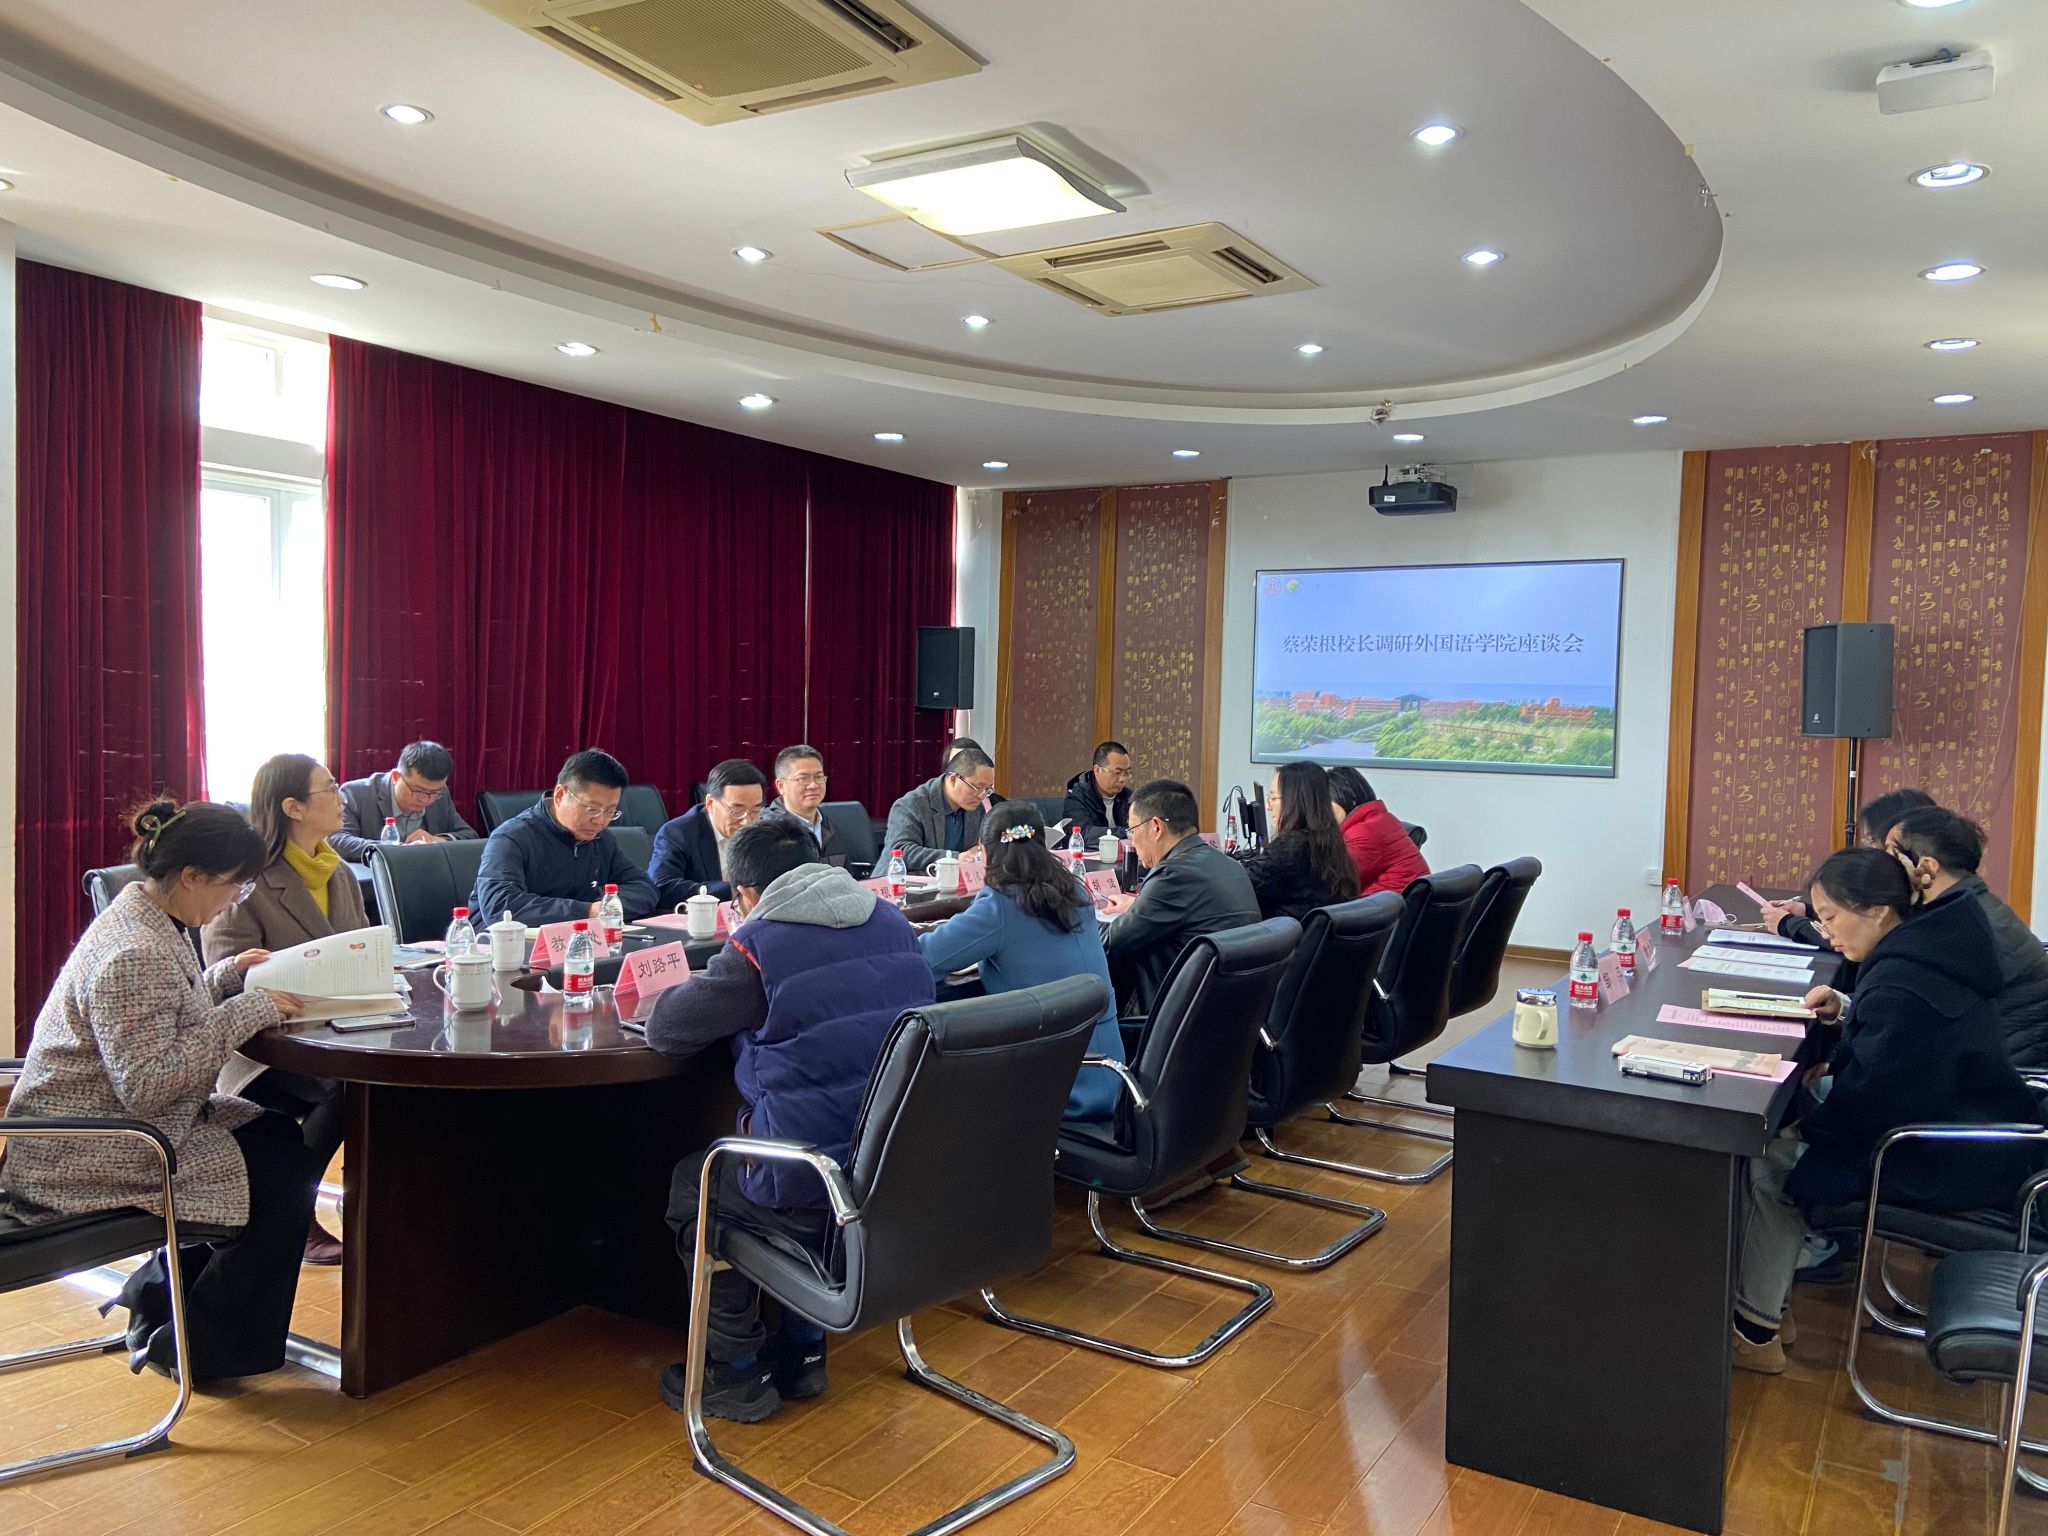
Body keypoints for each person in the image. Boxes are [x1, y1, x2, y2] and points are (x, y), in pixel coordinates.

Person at [0, 798, 316, 1381]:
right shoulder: (136, 951)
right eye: (234, 886)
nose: (235, 900)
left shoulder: (144, 914)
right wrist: (245, 1010)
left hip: (99, 1126)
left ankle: (161, 1303)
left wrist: (224, 977)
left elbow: (161, 1013)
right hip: (87, 1150)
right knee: (282, 1169)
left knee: (277, 1137)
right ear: (192, 876)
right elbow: (148, 1085)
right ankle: (204, 1346)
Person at [645, 818, 934, 1424]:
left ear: (745, 893)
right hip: (890, 1167)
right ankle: (803, 1351)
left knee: (696, 1185)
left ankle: (734, 1372)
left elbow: (668, 1030)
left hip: (806, 1180)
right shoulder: (893, 922)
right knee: (794, 1149)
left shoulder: (760, 945)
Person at [1731, 846, 2037, 1374]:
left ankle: (1755, 1332)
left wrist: (1808, 1127)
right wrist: (1848, 1011)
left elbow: (1875, 1099)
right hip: (1974, 1128)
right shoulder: (1929, 948)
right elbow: (1899, 1054)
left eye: (1831, 918)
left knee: (1773, 1163)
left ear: (1876, 910)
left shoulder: (1904, 982)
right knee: (1787, 1125)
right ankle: (1773, 1310)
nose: (1826, 933)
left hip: (1947, 1155)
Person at [202, 755, 363, 1265]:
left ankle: (373, 1204)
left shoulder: (337, 871)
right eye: (329, 789)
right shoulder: (247, 882)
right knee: (347, 1088)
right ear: (293, 807)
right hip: (265, 1046)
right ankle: (292, 1210)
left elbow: (361, 949)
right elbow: (225, 976)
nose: (341, 797)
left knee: (387, 1082)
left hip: (340, 1028)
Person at [914, 802, 1126, 1124]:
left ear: (985, 852)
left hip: (1056, 1092)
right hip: (1110, 1078)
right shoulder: (1076, 890)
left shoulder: (1000, 905)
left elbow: (925, 960)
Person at [1890, 807, 2048, 1069]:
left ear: (1926, 866)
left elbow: (1910, 1014)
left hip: (1999, 1071)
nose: (1884, 867)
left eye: (1893, 856)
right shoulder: (1969, 907)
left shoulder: (1963, 927)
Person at [1100, 777, 1261, 1016]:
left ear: (1156, 827)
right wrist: (1137, 905)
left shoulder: (1173, 874)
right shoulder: (1229, 865)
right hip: (1227, 1011)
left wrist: (1080, 921)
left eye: (1132, 831)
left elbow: (1110, 943)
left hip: (1178, 1014)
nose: (1131, 841)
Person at [471, 749, 659, 924]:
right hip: (502, 945)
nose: (601, 821)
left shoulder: (601, 839)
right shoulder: (511, 838)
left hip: (577, 939)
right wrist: (586, 911)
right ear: (560, 795)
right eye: (591, 809)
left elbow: (645, 888)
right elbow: (500, 906)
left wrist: (606, 906)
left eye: (610, 811)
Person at [1759, 787, 1934, 946]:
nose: (1868, 849)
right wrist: (1811, 912)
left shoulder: (1924, 898)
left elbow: (1854, 938)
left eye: (1872, 840)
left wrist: (1787, 924)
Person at [1238, 762, 1360, 922]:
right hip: (1304, 931)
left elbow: (1242, 886)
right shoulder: (1328, 841)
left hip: (1282, 934)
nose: (1268, 806)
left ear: (1295, 801)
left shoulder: (1292, 848)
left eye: (1273, 798)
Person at [329, 740, 479, 863]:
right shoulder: (357, 793)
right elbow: (337, 839)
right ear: (396, 777)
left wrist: (437, 840)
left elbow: (469, 836)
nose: (426, 799)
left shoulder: (441, 793)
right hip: (374, 883)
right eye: (418, 791)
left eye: (434, 793)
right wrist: (396, 851)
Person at [650, 759, 768, 902]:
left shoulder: (766, 831)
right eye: (737, 811)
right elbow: (662, 885)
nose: (747, 821)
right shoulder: (678, 833)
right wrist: (732, 891)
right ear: (710, 803)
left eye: (755, 810)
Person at [882, 746, 996, 873]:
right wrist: (954, 858)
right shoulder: (912, 805)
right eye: (978, 787)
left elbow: (972, 847)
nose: (982, 796)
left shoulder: (976, 808)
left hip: (948, 881)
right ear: (953, 779)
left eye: (987, 789)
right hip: (900, 881)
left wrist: (977, 851)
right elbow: (901, 851)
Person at [1327, 766, 1430, 898]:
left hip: (1393, 908)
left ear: (1348, 798)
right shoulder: (1379, 820)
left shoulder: (1364, 832)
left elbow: (1333, 883)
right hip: (1395, 903)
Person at [762, 744, 837, 860]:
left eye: (819, 777)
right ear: (781, 786)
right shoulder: (766, 830)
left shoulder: (834, 823)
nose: (813, 785)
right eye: (803, 779)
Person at [1062, 741, 1133, 840]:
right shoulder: (1077, 797)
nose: (1122, 779)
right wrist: (1127, 832)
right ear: (1097, 770)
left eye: (1127, 773)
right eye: (1117, 773)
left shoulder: (1129, 797)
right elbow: (1082, 834)